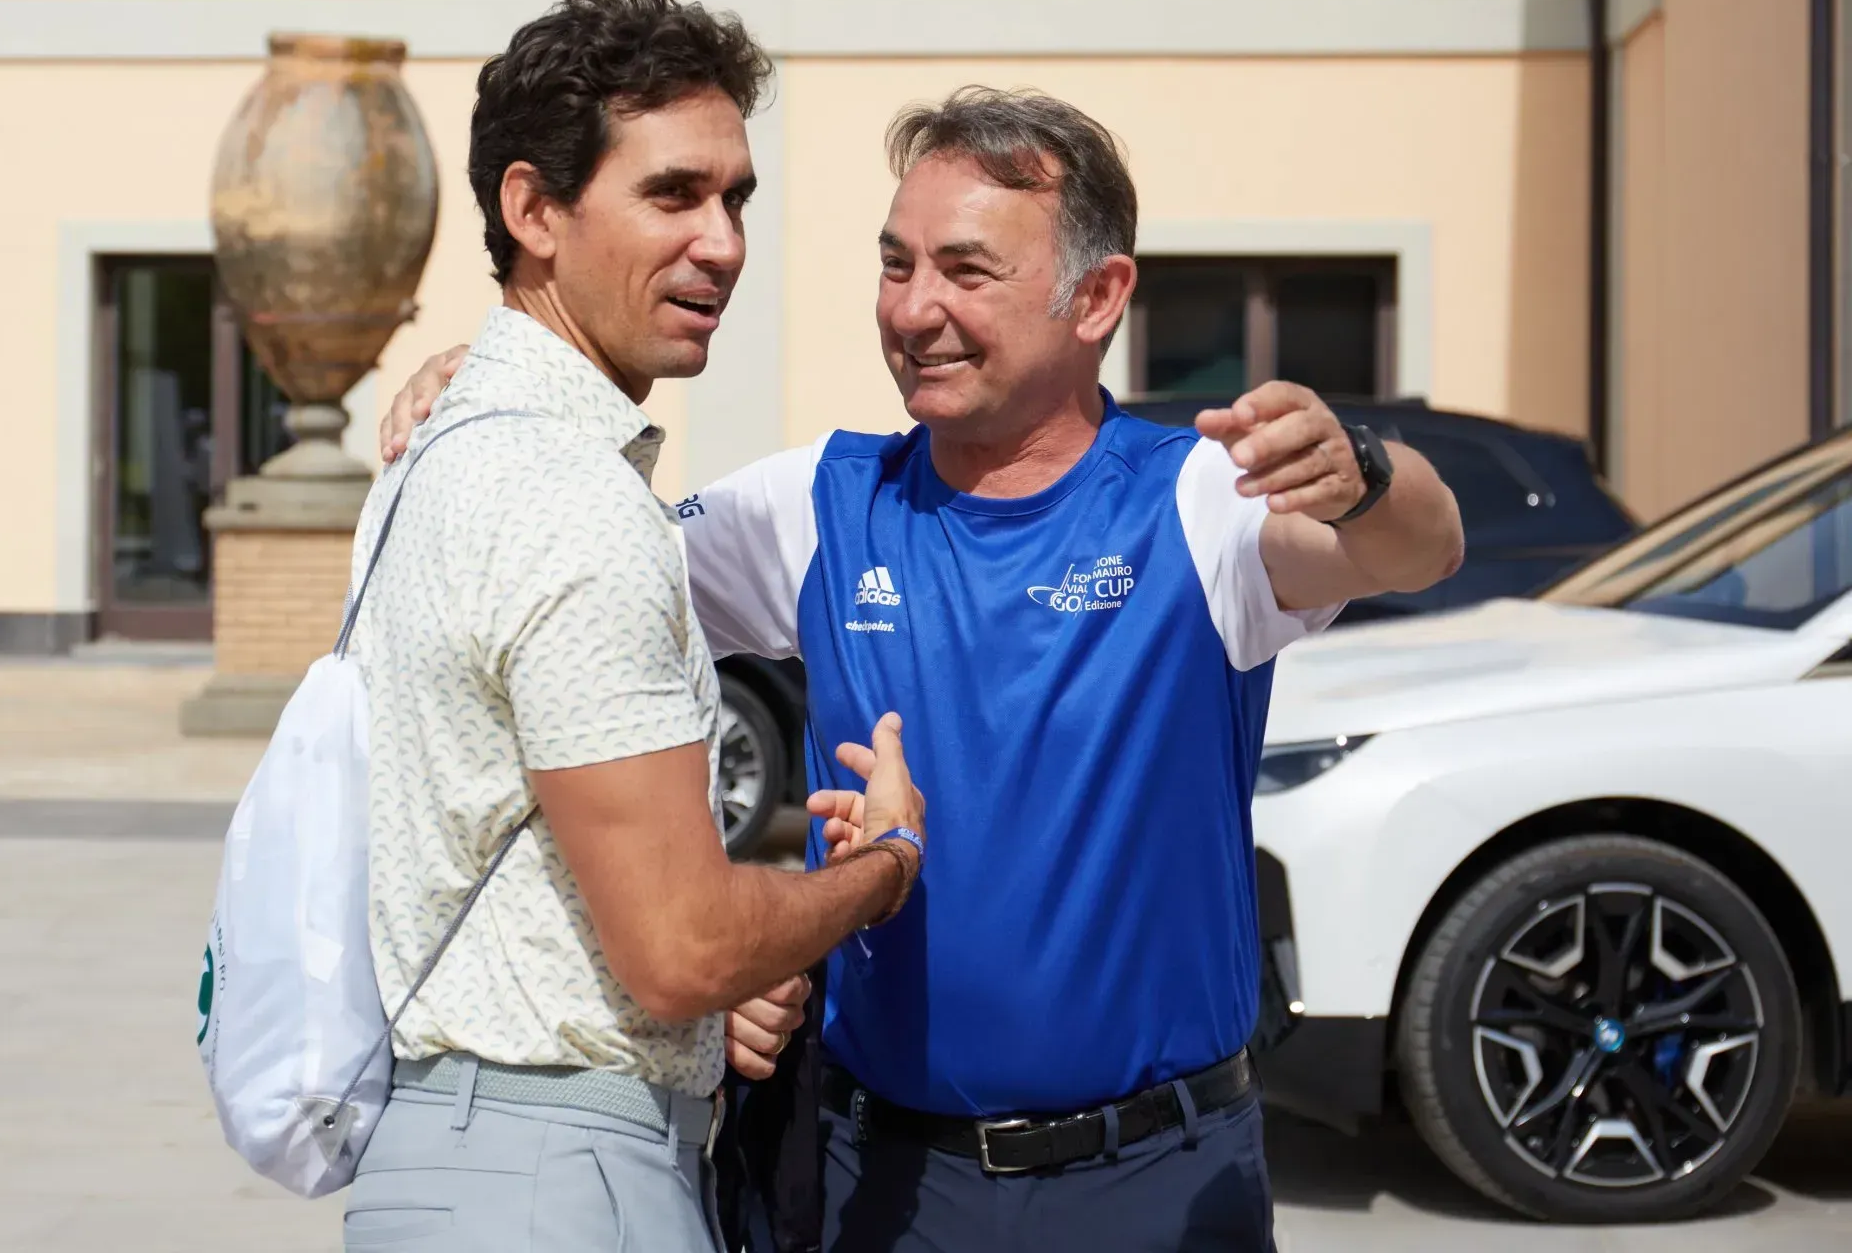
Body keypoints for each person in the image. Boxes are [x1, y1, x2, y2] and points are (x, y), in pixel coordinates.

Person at [386, 86, 1463, 1250]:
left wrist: (1361, 467)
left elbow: (1418, 543)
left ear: (1096, 297)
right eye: (896, 266)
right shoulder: (818, 501)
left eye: (965, 271)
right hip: (880, 1181)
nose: (916, 309)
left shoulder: (1195, 503)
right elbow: (561, 595)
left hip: (1151, 1178)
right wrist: (505, 379)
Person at [340, 0, 929, 1253]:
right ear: (533, 210)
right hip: (557, 1178)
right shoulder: (571, 500)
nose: (722, 241)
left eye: (737, 199)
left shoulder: (435, 451)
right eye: (673, 194)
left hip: (444, 1160)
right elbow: (680, 944)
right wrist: (881, 869)